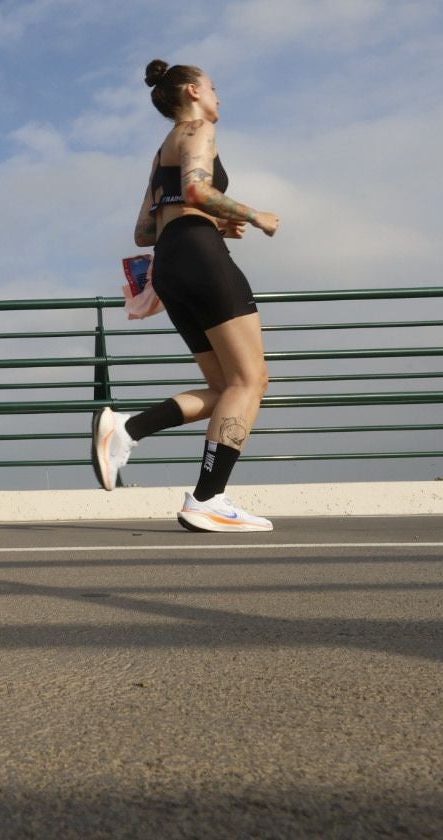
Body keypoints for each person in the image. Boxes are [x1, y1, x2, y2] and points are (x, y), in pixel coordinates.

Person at [91, 59, 281, 532]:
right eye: (214, 87)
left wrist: (215, 222)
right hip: (200, 258)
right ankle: (208, 498)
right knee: (251, 381)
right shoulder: (198, 130)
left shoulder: (162, 153)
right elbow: (197, 190)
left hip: (171, 263)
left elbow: (144, 232)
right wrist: (253, 215)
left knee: (225, 388)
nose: (219, 96)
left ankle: (128, 429)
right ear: (193, 91)